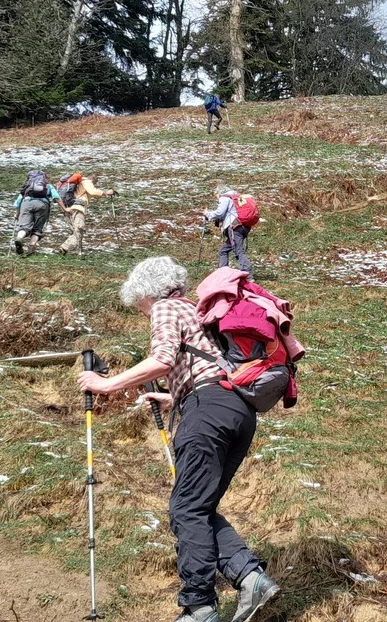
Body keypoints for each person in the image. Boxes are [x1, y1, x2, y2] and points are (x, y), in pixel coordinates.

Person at [76, 257, 280, 622]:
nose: (141, 313)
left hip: (208, 412)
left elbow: (162, 360)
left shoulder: (166, 308)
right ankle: (250, 578)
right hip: (238, 411)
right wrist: (175, 398)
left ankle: (199, 606)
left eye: (138, 305)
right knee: (197, 509)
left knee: (186, 510)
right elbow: (210, 368)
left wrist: (106, 384)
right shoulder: (200, 311)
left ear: (145, 293)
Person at [58, 174, 116, 256]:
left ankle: (76, 251)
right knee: (79, 230)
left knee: (76, 231)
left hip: (68, 208)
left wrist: (105, 194)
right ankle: (64, 248)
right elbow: (93, 191)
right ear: (92, 179)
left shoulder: (78, 184)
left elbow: (93, 194)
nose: (94, 185)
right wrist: (106, 192)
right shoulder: (87, 182)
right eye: (95, 183)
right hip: (78, 208)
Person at [12, 173, 68, 255]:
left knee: (24, 227)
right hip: (42, 205)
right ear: (44, 179)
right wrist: (64, 208)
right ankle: (31, 248)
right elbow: (56, 197)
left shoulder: (28, 186)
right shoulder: (48, 186)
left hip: (26, 203)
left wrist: (17, 213)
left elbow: (19, 201)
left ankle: (19, 238)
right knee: (37, 229)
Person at [204, 185, 253, 276]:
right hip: (244, 226)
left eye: (216, 195)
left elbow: (220, 212)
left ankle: (248, 275)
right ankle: (222, 273)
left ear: (219, 192)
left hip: (234, 227)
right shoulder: (237, 196)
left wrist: (208, 214)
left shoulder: (225, 197)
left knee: (238, 251)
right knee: (223, 250)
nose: (216, 197)